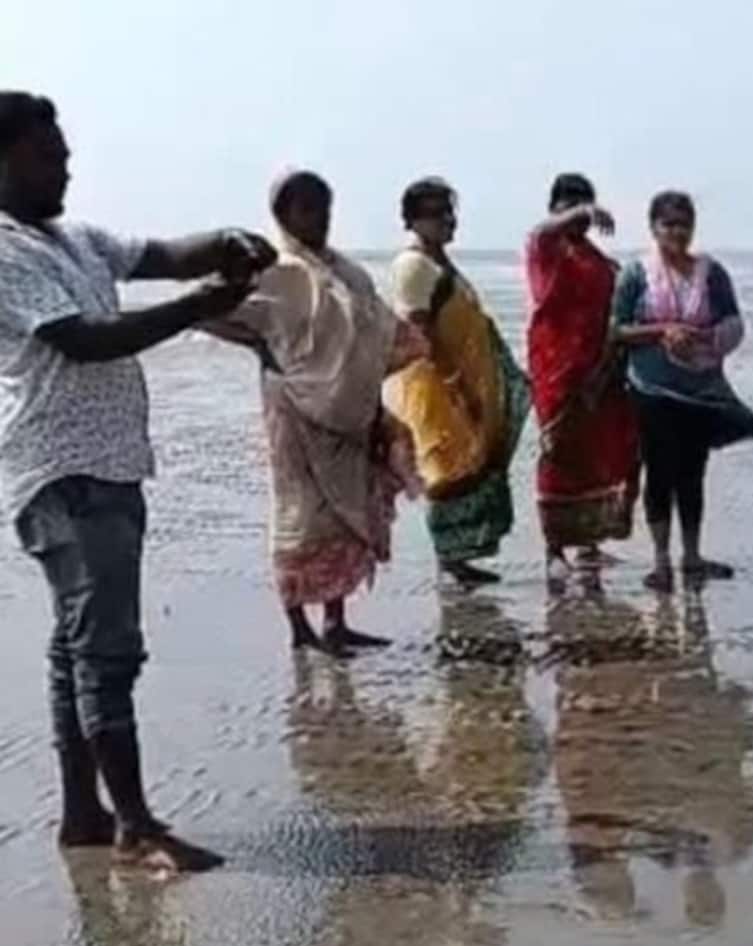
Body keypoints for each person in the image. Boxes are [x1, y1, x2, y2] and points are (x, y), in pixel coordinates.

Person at [0, 91, 275, 873]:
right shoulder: (4, 251)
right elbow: (86, 342)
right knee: (106, 653)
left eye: (63, 150)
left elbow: (158, 253)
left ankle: (84, 814)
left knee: (73, 650)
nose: (66, 163)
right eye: (48, 154)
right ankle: (136, 824)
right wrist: (197, 308)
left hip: (110, 465)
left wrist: (223, 242)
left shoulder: (75, 237)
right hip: (65, 471)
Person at [206, 170, 424, 655]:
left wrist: (364, 388)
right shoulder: (276, 274)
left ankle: (336, 621)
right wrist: (262, 347)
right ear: (284, 215)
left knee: (346, 513)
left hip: (349, 412)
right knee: (300, 515)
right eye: (307, 209)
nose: (319, 219)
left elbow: (376, 335)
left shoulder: (349, 274)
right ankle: (297, 628)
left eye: (324, 208)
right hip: (293, 413)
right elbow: (207, 307)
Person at [612, 190, 753, 592]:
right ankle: (660, 560)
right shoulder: (636, 273)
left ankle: (692, 555)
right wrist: (661, 331)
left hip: (700, 392)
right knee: (658, 473)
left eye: (684, 224)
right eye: (668, 224)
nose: (677, 232)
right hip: (650, 391)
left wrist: (704, 340)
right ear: (653, 227)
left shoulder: (711, 273)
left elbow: (734, 323)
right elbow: (616, 330)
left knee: (692, 474)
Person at [385, 177, 529, 588]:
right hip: (436, 389)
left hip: (460, 383)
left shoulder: (439, 262)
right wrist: (457, 386)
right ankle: (448, 561)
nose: (446, 220)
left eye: (449, 211)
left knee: (467, 465)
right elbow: (420, 333)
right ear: (412, 220)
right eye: (434, 213)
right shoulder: (413, 266)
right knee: (446, 470)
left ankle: (458, 558)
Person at [525, 172, 638, 590]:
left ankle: (589, 541)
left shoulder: (599, 261)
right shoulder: (546, 249)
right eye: (568, 205)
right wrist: (582, 210)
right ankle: (553, 550)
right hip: (559, 372)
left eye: (584, 205)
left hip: (601, 371)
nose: (578, 216)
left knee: (607, 455)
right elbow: (538, 232)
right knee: (560, 456)